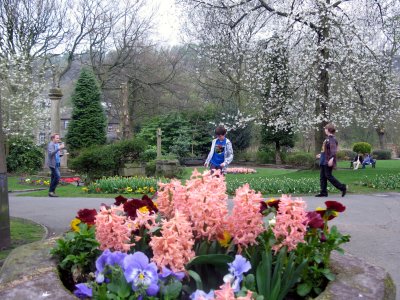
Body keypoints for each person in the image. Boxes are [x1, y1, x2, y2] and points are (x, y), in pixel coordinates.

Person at [315, 123, 347, 197]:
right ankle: (323, 192)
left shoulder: (332, 139)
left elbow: (333, 151)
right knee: (322, 177)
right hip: (324, 160)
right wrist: (321, 155)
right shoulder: (327, 139)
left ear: (328, 130)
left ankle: (342, 187)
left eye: (325, 129)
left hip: (327, 161)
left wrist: (331, 159)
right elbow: (326, 150)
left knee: (328, 176)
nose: (325, 130)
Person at [47, 133, 64, 197]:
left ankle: (51, 192)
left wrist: (61, 154)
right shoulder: (50, 145)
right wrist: (59, 148)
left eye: (58, 138)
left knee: (53, 178)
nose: (58, 139)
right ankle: (51, 191)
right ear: (53, 138)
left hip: (57, 163)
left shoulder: (56, 144)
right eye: (57, 138)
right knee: (57, 177)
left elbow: (56, 154)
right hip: (52, 164)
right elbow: (51, 154)